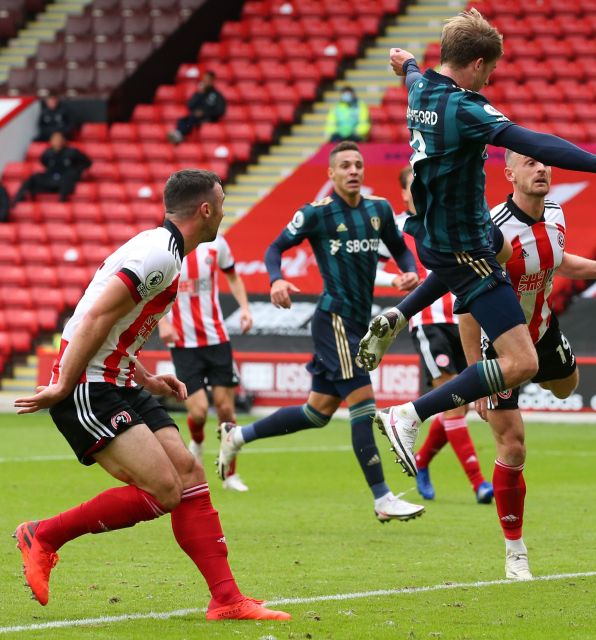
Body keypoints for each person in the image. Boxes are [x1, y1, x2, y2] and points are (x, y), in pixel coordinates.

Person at [353, 9, 596, 480]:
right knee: (520, 361)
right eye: (489, 72)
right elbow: (535, 141)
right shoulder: (465, 106)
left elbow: (412, 71)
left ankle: (400, 314)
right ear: (475, 63)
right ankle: (409, 414)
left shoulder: (420, 88)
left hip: (435, 233)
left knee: (506, 248)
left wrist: (406, 61)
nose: (489, 81)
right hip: (463, 243)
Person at [12, 170, 289, 620]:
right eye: (220, 203)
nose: (223, 211)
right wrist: (64, 383)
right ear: (205, 209)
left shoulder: (162, 250)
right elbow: (96, 317)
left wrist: (146, 379)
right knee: (164, 491)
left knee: (189, 474)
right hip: (89, 385)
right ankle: (43, 535)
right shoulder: (160, 255)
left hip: (116, 379)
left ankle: (226, 599)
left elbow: (113, 324)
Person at [403, 150, 596, 578]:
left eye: (544, 163)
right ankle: (515, 552)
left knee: (568, 386)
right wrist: (476, 374)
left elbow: (556, 259)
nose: (541, 168)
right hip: (500, 346)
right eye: (530, 163)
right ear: (509, 173)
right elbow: (466, 306)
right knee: (513, 446)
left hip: (544, 329)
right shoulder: (492, 230)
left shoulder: (555, 212)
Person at [216, 141, 425, 523]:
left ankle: (237, 437)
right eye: (344, 165)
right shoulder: (317, 214)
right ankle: (382, 497)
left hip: (360, 325)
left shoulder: (378, 210)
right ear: (330, 174)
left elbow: (400, 248)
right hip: (334, 321)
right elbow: (274, 250)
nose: (353, 170)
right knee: (363, 403)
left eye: (358, 164)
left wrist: (409, 270)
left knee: (317, 413)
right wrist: (276, 280)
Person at [385, 166, 493, 504]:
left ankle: (422, 460)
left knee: (456, 402)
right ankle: (478, 483)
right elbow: (373, 266)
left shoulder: (449, 221)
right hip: (428, 322)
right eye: (411, 187)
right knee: (454, 401)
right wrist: (394, 279)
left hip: (466, 319)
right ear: (403, 194)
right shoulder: (399, 229)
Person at [157, 234, 253, 492]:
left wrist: (245, 308)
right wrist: (163, 323)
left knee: (226, 411)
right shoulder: (168, 246)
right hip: (183, 344)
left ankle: (230, 474)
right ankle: (197, 443)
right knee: (198, 412)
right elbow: (154, 289)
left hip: (217, 339)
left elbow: (232, 276)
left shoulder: (217, 244)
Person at [13, 132, 90, 204]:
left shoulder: (72, 152)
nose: (57, 142)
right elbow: (44, 162)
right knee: (34, 177)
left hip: (65, 179)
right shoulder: (48, 153)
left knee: (69, 177)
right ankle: (19, 198)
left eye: (59, 140)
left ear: (63, 141)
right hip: (51, 178)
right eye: (54, 140)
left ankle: (62, 200)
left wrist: (77, 171)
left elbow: (86, 162)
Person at [167, 71, 226, 144]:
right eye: (204, 80)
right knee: (182, 120)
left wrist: (205, 113)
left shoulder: (217, 95)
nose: (205, 82)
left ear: (212, 81)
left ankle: (179, 135)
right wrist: (199, 94)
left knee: (192, 118)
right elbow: (190, 105)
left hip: (208, 118)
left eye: (207, 80)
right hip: (195, 116)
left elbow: (220, 111)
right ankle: (179, 134)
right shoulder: (199, 93)